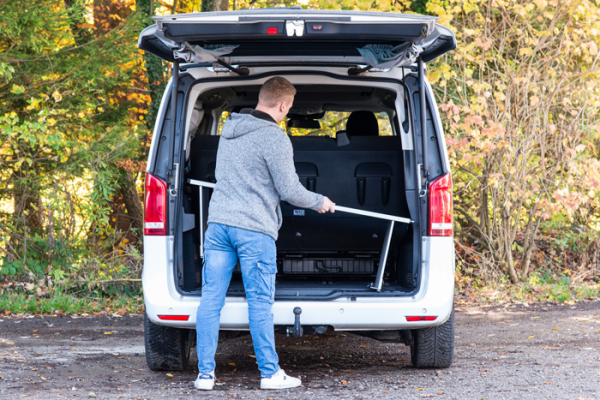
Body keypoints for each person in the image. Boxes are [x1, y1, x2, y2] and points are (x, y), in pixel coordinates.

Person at [194, 76, 336, 391]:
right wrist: (320, 202)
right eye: (289, 108)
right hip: (254, 230)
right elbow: (289, 190)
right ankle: (270, 373)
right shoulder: (274, 138)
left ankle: (205, 375)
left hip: (218, 225)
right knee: (259, 301)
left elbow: (222, 175)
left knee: (210, 300)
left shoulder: (229, 131)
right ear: (283, 105)